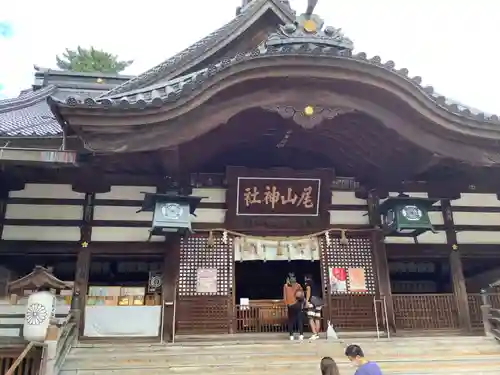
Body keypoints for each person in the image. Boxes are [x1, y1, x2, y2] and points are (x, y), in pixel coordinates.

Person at [283, 272, 304, 341]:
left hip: (290, 305)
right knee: (299, 320)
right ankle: (301, 335)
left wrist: (286, 306)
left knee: (291, 321)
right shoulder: (298, 285)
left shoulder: (286, 286)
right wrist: (302, 304)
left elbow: (285, 297)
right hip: (297, 304)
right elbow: (302, 294)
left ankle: (291, 336)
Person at [304, 274, 323, 340]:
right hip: (319, 302)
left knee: (311, 318)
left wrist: (307, 301)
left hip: (312, 302)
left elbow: (308, 292)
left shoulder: (308, 283)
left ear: (306, 278)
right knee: (317, 318)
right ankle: (317, 334)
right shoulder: (316, 284)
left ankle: (314, 334)